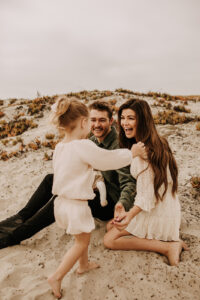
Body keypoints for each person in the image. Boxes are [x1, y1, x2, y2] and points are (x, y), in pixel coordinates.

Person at [0, 100, 145, 249]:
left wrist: (122, 203)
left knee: (64, 197)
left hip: (110, 201)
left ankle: (16, 235)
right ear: (86, 121)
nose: (96, 125)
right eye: (93, 120)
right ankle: (20, 218)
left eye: (102, 120)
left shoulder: (118, 144)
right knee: (50, 179)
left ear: (111, 122)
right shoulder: (91, 139)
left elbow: (127, 182)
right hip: (96, 187)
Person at [46, 96, 141, 298]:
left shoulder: (60, 147)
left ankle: (84, 265)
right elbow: (107, 160)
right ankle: (57, 276)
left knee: (81, 237)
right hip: (76, 205)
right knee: (81, 242)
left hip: (61, 204)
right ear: (83, 122)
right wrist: (131, 153)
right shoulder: (83, 145)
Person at [104, 99, 188, 266]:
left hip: (158, 211)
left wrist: (131, 214)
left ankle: (168, 247)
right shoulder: (158, 141)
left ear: (142, 120)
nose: (124, 123)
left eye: (131, 118)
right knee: (110, 226)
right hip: (167, 207)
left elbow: (147, 196)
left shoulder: (143, 153)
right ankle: (167, 241)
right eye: (123, 117)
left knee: (109, 240)